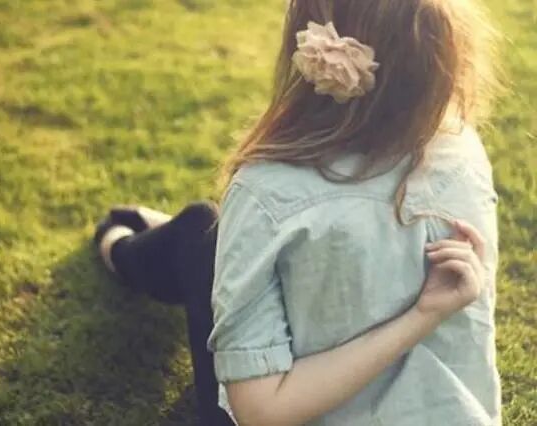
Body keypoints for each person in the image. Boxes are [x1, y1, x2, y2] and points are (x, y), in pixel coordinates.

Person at [94, 0, 502, 424]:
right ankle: (162, 240)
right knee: (212, 239)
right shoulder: (461, 153)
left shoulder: (268, 191)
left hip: (281, 404)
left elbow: (261, 410)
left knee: (201, 234)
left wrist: (421, 317)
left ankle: (117, 243)